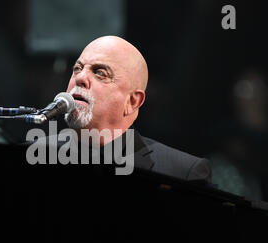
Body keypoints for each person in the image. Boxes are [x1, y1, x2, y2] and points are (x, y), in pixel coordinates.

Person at [29, 35, 212, 181]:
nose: (80, 78)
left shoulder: (182, 172)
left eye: (100, 73)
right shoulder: (36, 153)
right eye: (77, 68)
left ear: (132, 102)